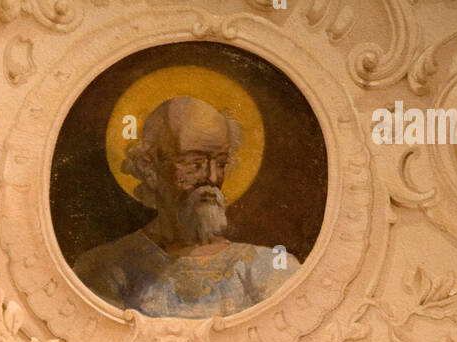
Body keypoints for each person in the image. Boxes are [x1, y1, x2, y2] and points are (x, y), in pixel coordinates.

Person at [73, 95, 300, 318]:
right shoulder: (105, 268)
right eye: (195, 163)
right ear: (149, 168)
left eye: (220, 163)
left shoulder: (269, 269)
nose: (212, 178)